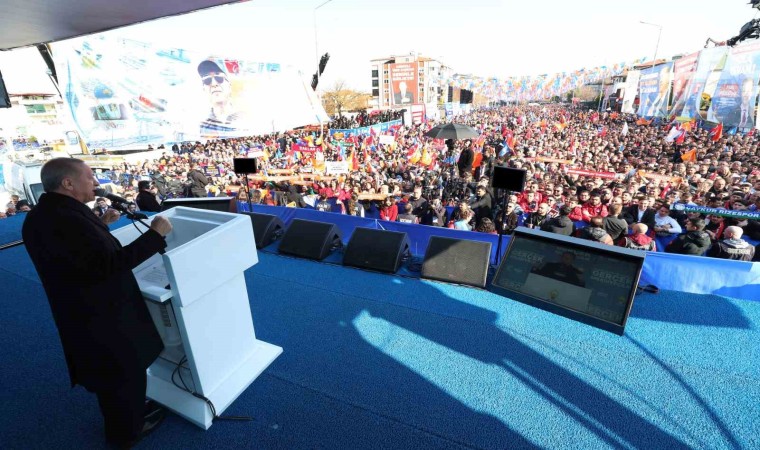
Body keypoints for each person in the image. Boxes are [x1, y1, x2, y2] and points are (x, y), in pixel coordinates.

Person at [21, 158, 173, 448]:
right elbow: (109, 265)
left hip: (79, 311)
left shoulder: (44, 214)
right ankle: (127, 432)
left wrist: (101, 225)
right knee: (123, 372)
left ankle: (127, 415)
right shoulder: (68, 220)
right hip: (103, 315)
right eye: (90, 177)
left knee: (110, 374)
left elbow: (74, 255)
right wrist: (155, 236)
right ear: (68, 183)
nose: (96, 183)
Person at [197, 60, 239, 136]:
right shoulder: (203, 127)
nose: (214, 84)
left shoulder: (247, 118)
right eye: (207, 80)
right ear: (204, 89)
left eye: (219, 78)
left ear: (229, 85)